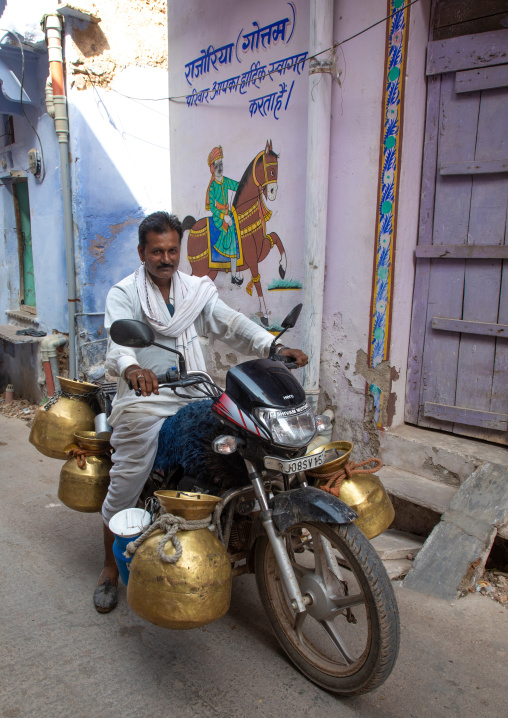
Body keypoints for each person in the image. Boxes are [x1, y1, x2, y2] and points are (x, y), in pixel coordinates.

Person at [94, 211, 307, 613]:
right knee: (129, 471)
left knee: (240, 443)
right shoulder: (124, 293)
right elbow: (118, 343)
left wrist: (272, 348)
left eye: (172, 249)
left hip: (194, 388)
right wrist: (133, 369)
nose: (166, 258)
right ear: (142, 252)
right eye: (157, 251)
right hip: (145, 398)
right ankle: (108, 565)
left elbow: (232, 323)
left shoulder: (195, 292)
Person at [205, 146, 242, 285]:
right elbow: (212, 208)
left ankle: (233, 274)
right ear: (212, 168)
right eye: (217, 165)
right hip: (219, 217)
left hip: (228, 213)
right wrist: (223, 216)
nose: (220, 167)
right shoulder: (213, 186)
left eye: (221, 164)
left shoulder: (226, 181)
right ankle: (232, 273)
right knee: (231, 233)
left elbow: (238, 186)